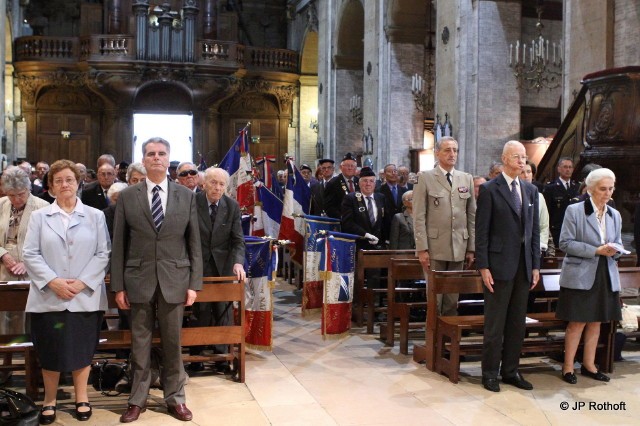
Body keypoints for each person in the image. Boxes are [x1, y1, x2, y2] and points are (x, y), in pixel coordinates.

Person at [111, 137, 202, 423]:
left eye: (161, 153)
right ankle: (137, 399)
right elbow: (119, 244)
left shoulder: (185, 196)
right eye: (151, 154)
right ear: (144, 159)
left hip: (175, 278)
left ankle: (175, 399)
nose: (156, 158)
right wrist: (118, 286)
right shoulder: (128, 196)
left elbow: (194, 243)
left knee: (174, 343)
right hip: (138, 279)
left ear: (168, 159)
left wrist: (193, 284)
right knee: (140, 344)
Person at [23, 160, 110, 424]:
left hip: (84, 296)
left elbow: (103, 253)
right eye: (58, 180)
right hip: (49, 295)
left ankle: (81, 397)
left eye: (69, 180)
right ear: (50, 186)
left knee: (83, 349)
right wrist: (53, 281)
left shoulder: (95, 216)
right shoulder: (39, 217)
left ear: (78, 183)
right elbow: (30, 253)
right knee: (50, 349)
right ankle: (49, 400)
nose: (64, 185)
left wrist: (82, 283)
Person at [475, 140, 540, 392]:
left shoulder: (530, 190)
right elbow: (482, 231)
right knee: (495, 324)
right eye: (516, 157)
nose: (522, 161)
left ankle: (511, 371)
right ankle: (489, 372)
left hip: (523, 266)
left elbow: (532, 231)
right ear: (504, 159)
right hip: (498, 265)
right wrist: (483, 266)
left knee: (516, 324)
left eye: (524, 157)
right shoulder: (491, 189)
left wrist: (535, 265)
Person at [556, 168, 622, 384]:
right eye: (603, 189)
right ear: (591, 189)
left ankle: (589, 365)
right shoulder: (575, 211)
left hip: (605, 272)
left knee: (596, 322)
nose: (608, 193)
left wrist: (616, 249)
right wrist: (595, 250)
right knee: (577, 322)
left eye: (611, 189)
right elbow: (565, 243)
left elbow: (618, 241)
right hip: (581, 273)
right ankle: (568, 367)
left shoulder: (614, 214)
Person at [189, 167, 246, 372]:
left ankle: (222, 357)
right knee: (200, 312)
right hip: (198, 266)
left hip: (223, 267)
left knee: (223, 311)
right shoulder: (192, 203)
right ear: (204, 184)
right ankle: (196, 358)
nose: (217, 187)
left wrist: (238, 263)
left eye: (222, 184)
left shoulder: (232, 206)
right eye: (213, 182)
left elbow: (238, 240)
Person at [413, 137, 476, 316]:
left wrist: (471, 248)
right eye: (447, 150)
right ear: (437, 153)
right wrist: (422, 249)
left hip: (459, 246)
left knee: (452, 298)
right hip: (434, 246)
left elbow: (471, 215)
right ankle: (433, 338)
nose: (452, 154)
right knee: (434, 298)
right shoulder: (424, 177)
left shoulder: (466, 178)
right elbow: (418, 216)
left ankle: (448, 339)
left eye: (455, 150)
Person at [0, 167, 50, 377]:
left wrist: (27, 263)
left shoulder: (42, 207)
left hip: (33, 269)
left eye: (20, 194)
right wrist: (4, 255)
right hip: (4, 267)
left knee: (32, 317)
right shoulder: (1, 205)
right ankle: (6, 363)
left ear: (29, 189)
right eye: (11, 195)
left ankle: (35, 364)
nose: (16, 199)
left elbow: (48, 243)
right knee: (5, 316)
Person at [341, 166, 385, 251]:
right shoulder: (350, 198)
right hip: (358, 245)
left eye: (371, 181)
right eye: (365, 181)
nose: (368, 184)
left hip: (378, 246)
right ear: (359, 183)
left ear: (375, 184)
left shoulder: (381, 197)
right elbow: (347, 223)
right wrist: (365, 234)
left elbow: (384, 221)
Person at [543, 157, 579, 247]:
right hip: (558, 230)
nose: (568, 170)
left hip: (574, 230)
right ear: (559, 169)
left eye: (570, 167)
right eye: (565, 167)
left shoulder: (577, 187)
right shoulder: (550, 188)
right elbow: (547, 211)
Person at [522, 161, 550, 255]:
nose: (526, 175)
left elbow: (544, 225)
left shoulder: (539, 196)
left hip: (535, 247)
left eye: (529, 172)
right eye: (522, 172)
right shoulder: (512, 195)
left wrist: (540, 245)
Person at [377, 163, 406, 244]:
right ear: (384, 174)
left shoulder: (404, 191)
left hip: (402, 229)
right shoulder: (379, 191)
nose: (393, 173)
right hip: (386, 228)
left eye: (395, 171)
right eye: (390, 171)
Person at [324, 153, 359, 219]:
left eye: (352, 166)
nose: (350, 168)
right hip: (342, 222)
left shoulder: (360, 182)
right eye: (347, 166)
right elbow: (329, 207)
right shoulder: (333, 183)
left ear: (356, 168)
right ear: (341, 167)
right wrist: (342, 217)